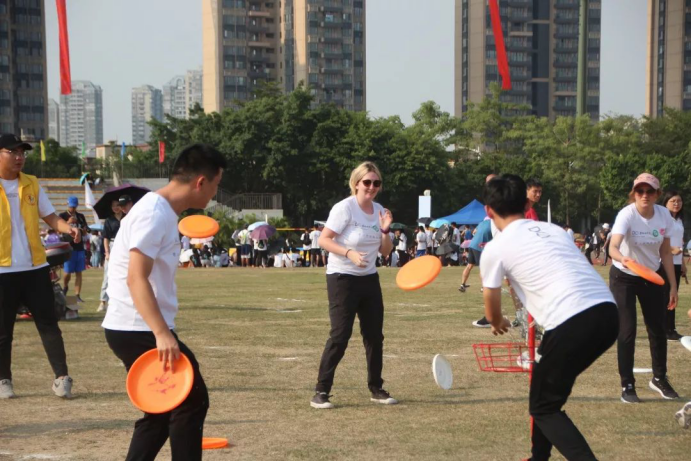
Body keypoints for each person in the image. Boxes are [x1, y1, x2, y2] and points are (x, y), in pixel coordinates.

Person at [481, 174, 619, 461]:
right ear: (525, 203)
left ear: (488, 210)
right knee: (544, 395)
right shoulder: (554, 230)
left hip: (571, 321)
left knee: (544, 407)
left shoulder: (496, 248)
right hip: (608, 313)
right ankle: (538, 457)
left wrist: (497, 322)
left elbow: (491, 310)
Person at [102, 144, 225, 460]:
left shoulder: (162, 211)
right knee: (191, 400)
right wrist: (161, 333)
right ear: (200, 182)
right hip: (136, 327)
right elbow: (136, 278)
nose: (214, 193)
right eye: (216, 185)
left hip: (135, 325)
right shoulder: (154, 213)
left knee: (160, 410)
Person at [311, 162, 397, 410]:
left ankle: (376, 388)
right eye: (367, 182)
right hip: (342, 278)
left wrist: (385, 230)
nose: (371, 187)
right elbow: (324, 240)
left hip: (369, 278)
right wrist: (349, 253)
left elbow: (385, 251)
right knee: (340, 335)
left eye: (376, 183)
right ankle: (321, 391)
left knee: (374, 336)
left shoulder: (379, 210)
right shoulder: (344, 208)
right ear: (356, 183)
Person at [0, 133, 80, 400]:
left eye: (22, 153)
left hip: (34, 268)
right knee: (3, 331)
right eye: (13, 152)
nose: (19, 157)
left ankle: (62, 378)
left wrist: (68, 228)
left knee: (49, 324)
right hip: (2, 270)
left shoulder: (32, 184)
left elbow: (51, 217)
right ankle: (3, 380)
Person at [609, 173, 680, 404]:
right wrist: (624, 259)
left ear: (657, 194)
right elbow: (613, 247)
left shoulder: (663, 215)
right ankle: (627, 385)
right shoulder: (627, 214)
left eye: (649, 191)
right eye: (640, 191)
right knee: (627, 330)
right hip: (625, 276)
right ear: (634, 193)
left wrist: (672, 286)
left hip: (651, 275)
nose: (644, 195)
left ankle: (659, 378)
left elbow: (665, 252)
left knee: (658, 329)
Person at [661, 191, 686, 341]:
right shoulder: (663, 219)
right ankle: (665, 329)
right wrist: (671, 250)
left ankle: (671, 328)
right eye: (673, 201)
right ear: (666, 203)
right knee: (666, 296)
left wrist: (682, 263)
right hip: (664, 262)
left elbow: (679, 242)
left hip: (676, 263)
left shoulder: (679, 220)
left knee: (673, 295)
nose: (676, 204)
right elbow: (657, 240)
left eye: (679, 201)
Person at [60, 196, 89, 302]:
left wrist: (83, 230)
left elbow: (85, 231)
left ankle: (77, 295)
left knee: (79, 272)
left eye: (74, 206)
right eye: (71, 206)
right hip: (68, 247)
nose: (72, 208)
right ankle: (65, 287)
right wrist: (68, 222)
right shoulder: (62, 216)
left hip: (79, 247)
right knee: (67, 272)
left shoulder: (81, 216)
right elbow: (58, 230)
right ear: (67, 204)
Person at [99, 200, 124, 313]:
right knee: (107, 274)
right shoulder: (109, 220)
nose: (115, 208)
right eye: (113, 206)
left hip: (125, 245)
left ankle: (121, 301)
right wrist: (107, 252)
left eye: (117, 205)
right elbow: (106, 238)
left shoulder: (127, 217)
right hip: (113, 245)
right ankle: (103, 301)